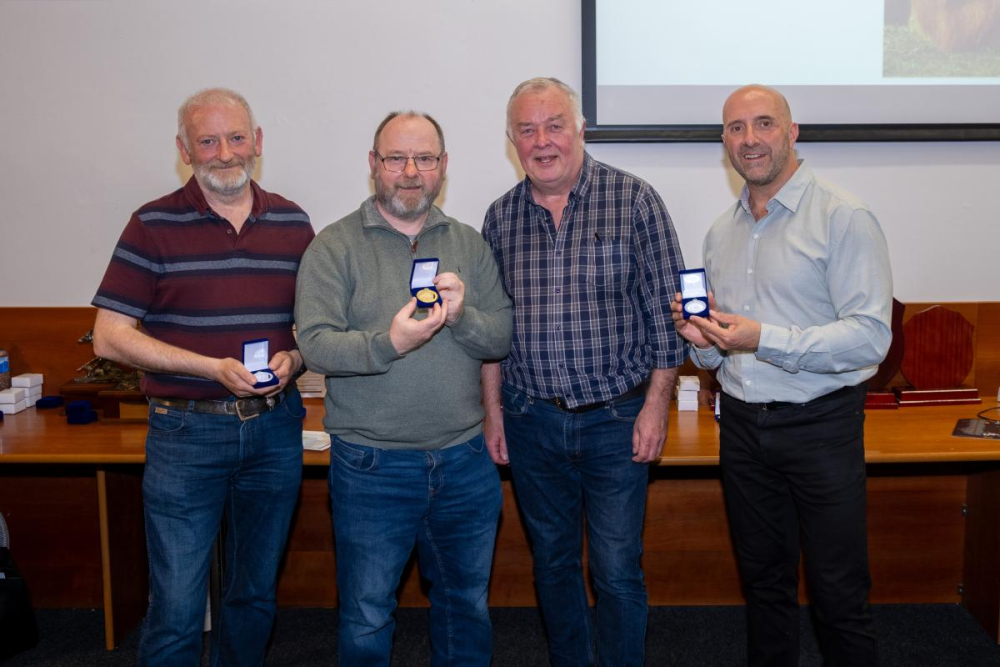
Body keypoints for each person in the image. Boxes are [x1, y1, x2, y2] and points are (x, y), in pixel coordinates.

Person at [92, 88, 314, 665]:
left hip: (274, 430)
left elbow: (314, 326)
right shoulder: (151, 224)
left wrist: (295, 359)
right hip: (185, 433)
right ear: (184, 150)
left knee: (254, 594)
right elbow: (109, 336)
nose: (225, 153)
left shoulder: (294, 223)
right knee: (177, 605)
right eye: (207, 141)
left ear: (257, 141)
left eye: (236, 138)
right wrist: (209, 367)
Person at [672, 84, 892, 666]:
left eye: (764, 123)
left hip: (821, 428)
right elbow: (721, 355)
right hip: (742, 429)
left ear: (792, 133)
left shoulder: (843, 217)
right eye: (736, 128)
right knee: (764, 588)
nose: (750, 139)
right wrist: (704, 342)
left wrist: (762, 338)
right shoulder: (721, 233)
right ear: (725, 142)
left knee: (838, 594)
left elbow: (871, 336)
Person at [294, 111, 512, 666]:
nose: (411, 172)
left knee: (466, 608)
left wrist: (461, 316)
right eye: (396, 158)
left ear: (443, 166)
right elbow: (315, 345)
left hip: (463, 463)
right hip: (372, 465)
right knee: (367, 614)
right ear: (374, 164)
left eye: (425, 158)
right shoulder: (333, 246)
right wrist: (388, 342)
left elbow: (501, 337)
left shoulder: (469, 244)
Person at [481, 77, 686, 666]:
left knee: (617, 568)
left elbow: (666, 316)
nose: (542, 141)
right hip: (530, 420)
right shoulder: (500, 218)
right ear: (512, 141)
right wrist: (493, 413)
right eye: (527, 130)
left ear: (580, 130)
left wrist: (655, 407)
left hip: (617, 420)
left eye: (554, 126)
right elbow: (492, 332)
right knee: (552, 564)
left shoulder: (635, 201)